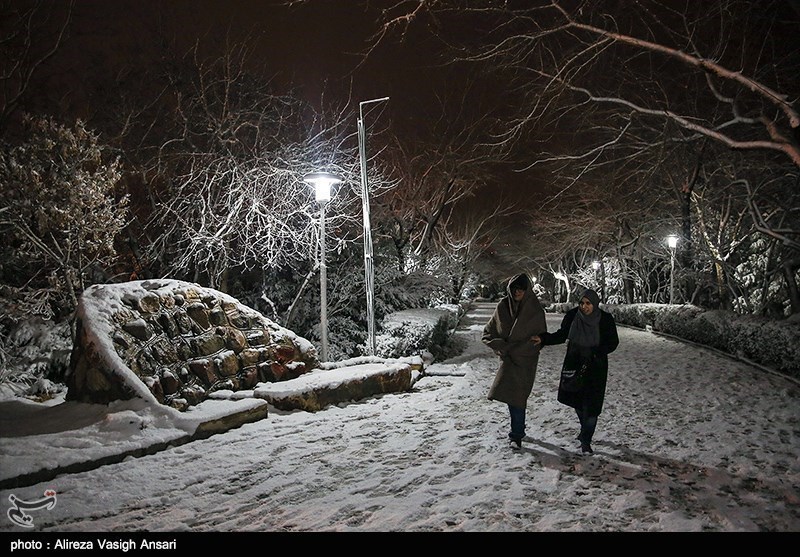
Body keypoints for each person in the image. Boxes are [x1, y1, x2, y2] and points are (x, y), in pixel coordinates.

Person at [533, 288, 619, 454]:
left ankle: (586, 440)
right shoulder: (573, 316)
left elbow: (613, 342)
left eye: (588, 304)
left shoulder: (605, 319)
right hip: (575, 361)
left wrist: (596, 352)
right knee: (577, 401)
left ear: (595, 304)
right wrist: (543, 338)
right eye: (582, 303)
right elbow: (561, 335)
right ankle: (584, 429)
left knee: (593, 407)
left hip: (596, 366)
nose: (584, 307)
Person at [482, 273, 547, 449]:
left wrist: (526, 347)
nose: (518, 292)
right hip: (508, 361)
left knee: (519, 397)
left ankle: (517, 432)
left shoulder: (535, 309)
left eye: (521, 288)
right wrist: (501, 346)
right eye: (514, 288)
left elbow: (541, 337)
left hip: (526, 361)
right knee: (514, 398)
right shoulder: (503, 306)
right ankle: (516, 434)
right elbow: (488, 333)